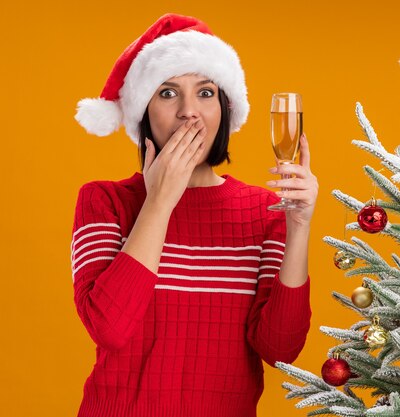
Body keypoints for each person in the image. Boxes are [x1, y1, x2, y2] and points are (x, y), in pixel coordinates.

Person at [71, 13, 317, 417]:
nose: (190, 112)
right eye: (168, 94)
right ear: (143, 112)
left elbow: (280, 349)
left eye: (205, 93)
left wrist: (299, 226)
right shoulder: (104, 202)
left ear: (224, 107)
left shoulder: (262, 212)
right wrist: (159, 202)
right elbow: (109, 329)